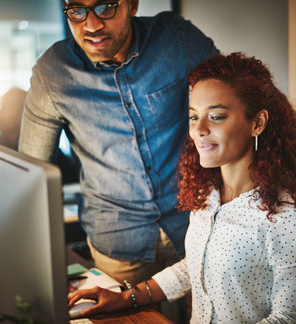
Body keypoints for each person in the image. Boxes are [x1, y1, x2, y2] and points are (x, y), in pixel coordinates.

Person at [68, 52, 296, 323]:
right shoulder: (209, 197)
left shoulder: (292, 218)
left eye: (216, 116)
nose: (199, 130)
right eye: (193, 117)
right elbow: (194, 266)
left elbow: (289, 318)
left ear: (257, 123)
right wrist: (128, 296)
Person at [18, 0, 218, 284]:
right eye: (77, 10)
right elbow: (31, 172)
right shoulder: (53, 74)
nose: (92, 25)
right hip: (116, 238)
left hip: (195, 221)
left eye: (106, 7)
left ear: (132, 5)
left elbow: (233, 104)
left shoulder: (177, 39)